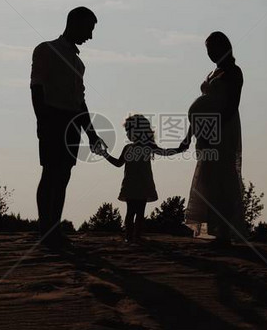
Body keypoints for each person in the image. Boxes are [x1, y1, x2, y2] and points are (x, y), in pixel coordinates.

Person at [30, 7, 106, 247]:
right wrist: (42, 121)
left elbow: (80, 101)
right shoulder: (46, 50)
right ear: (75, 23)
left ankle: (54, 229)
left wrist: (92, 134)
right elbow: (37, 88)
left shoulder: (78, 63)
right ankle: (46, 229)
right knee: (51, 173)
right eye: (88, 29)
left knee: (63, 175)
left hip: (72, 123)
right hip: (53, 118)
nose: (90, 36)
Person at [184, 31, 244, 246]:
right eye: (207, 49)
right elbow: (203, 103)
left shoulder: (234, 72)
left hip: (222, 128)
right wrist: (190, 134)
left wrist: (213, 129)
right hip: (206, 130)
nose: (210, 53)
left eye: (213, 48)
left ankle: (225, 231)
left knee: (223, 175)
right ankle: (215, 228)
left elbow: (231, 105)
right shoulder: (213, 72)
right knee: (209, 176)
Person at [100, 115, 190, 243]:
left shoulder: (131, 148)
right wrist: (179, 149)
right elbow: (165, 152)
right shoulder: (146, 147)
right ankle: (134, 236)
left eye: (129, 131)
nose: (127, 134)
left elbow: (118, 163)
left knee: (131, 211)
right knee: (138, 212)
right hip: (142, 183)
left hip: (133, 184)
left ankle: (130, 236)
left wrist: (104, 154)